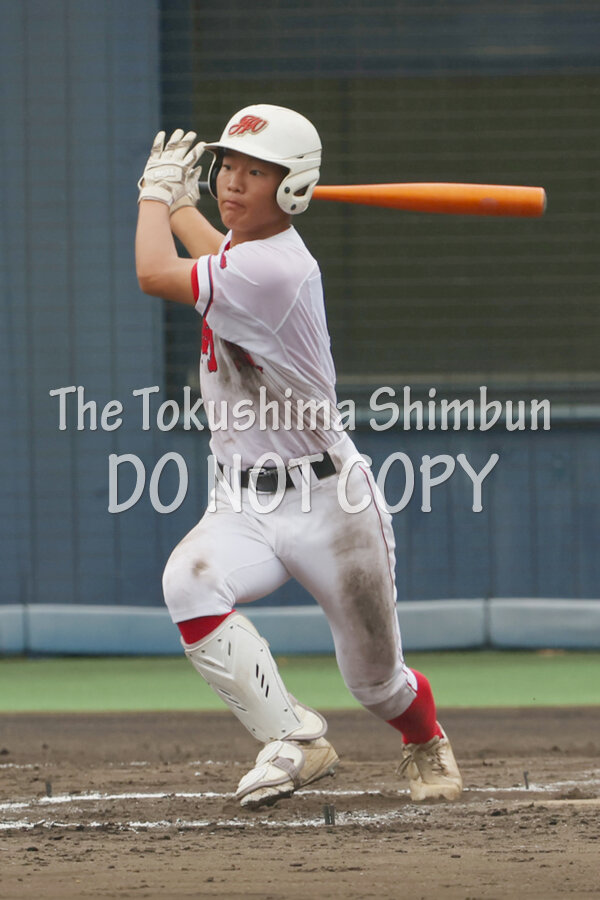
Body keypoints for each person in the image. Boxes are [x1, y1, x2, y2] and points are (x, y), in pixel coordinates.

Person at [135, 103, 462, 809]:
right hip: (242, 498)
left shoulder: (275, 270)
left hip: (329, 504)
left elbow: (156, 274)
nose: (231, 182)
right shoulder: (250, 257)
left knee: (376, 684)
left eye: (255, 173)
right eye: (227, 166)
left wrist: (156, 197)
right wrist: (184, 204)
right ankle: (294, 737)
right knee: (189, 582)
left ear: (291, 188)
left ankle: (423, 736)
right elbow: (219, 256)